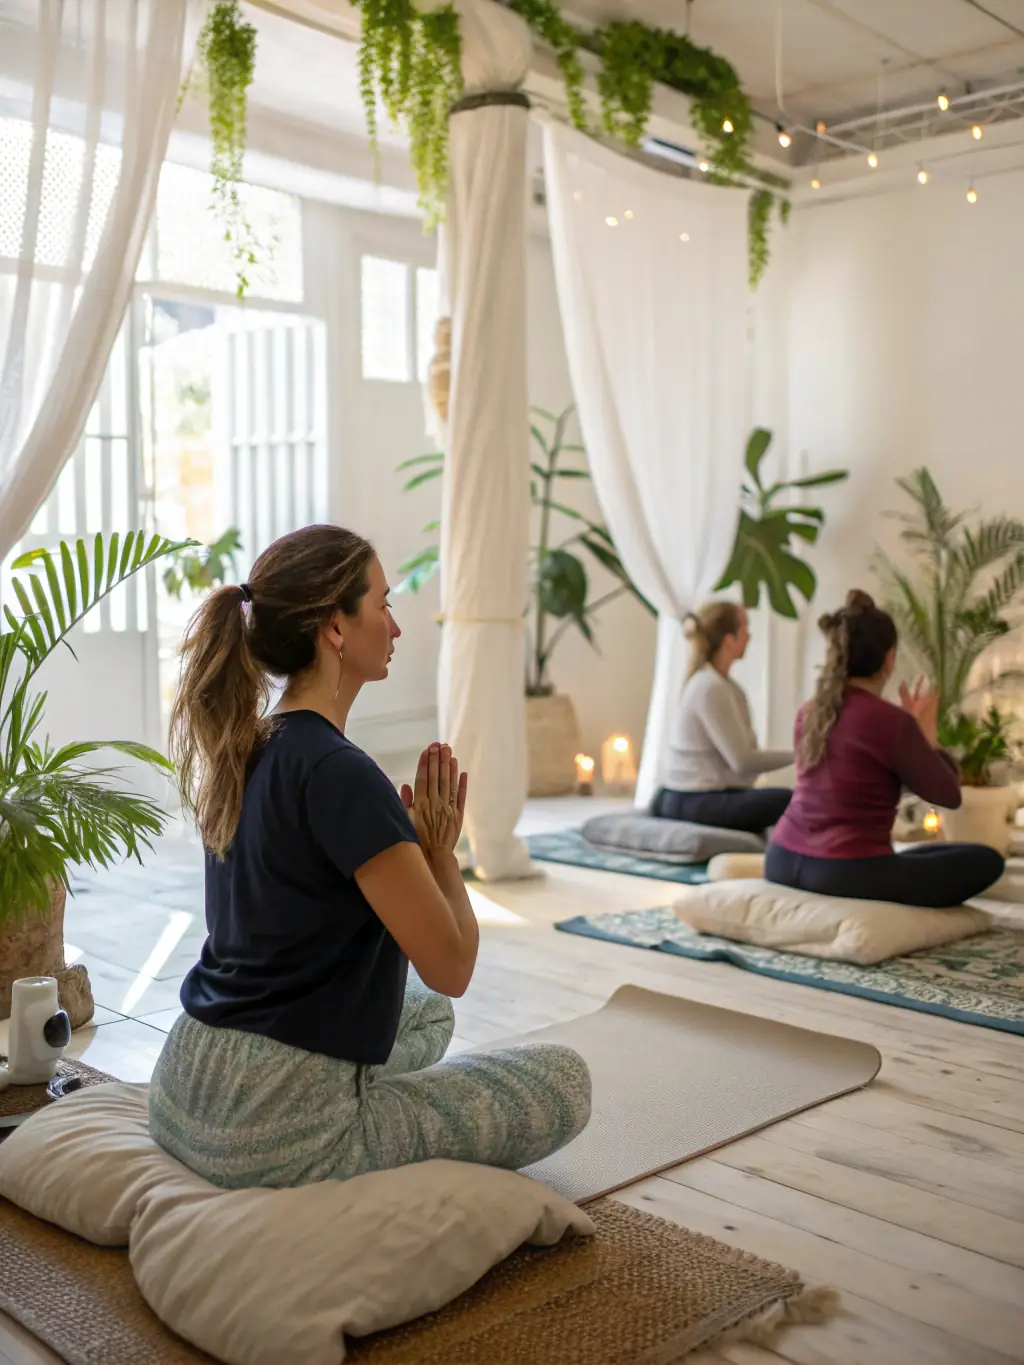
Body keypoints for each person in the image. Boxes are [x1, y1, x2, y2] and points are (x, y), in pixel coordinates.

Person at [148, 525, 591, 1189]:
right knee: (566, 1081)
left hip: (186, 1085)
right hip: (276, 1130)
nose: (395, 625)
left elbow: (432, 992)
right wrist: (439, 853)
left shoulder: (248, 748)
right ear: (335, 627)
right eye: (383, 604)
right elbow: (453, 964)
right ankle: (350, 1110)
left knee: (426, 1014)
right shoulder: (341, 773)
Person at [767, 589, 1005, 907]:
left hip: (781, 859)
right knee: (985, 859)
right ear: (889, 659)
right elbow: (949, 794)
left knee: (927, 853)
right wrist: (927, 737)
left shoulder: (808, 712)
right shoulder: (891, 721)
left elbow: (864, 782)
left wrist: (914, 743)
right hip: (845, 872)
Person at [651, 602, 794, 834]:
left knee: (775, 799)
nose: (749, 636)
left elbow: (744, 763)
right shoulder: (710, 686)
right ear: (729, 639)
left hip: (695, 796)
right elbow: (743, 762)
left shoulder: (727, 688)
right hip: (688, 799)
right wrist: (801, 754)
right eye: (744, 628)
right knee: (789, 800)